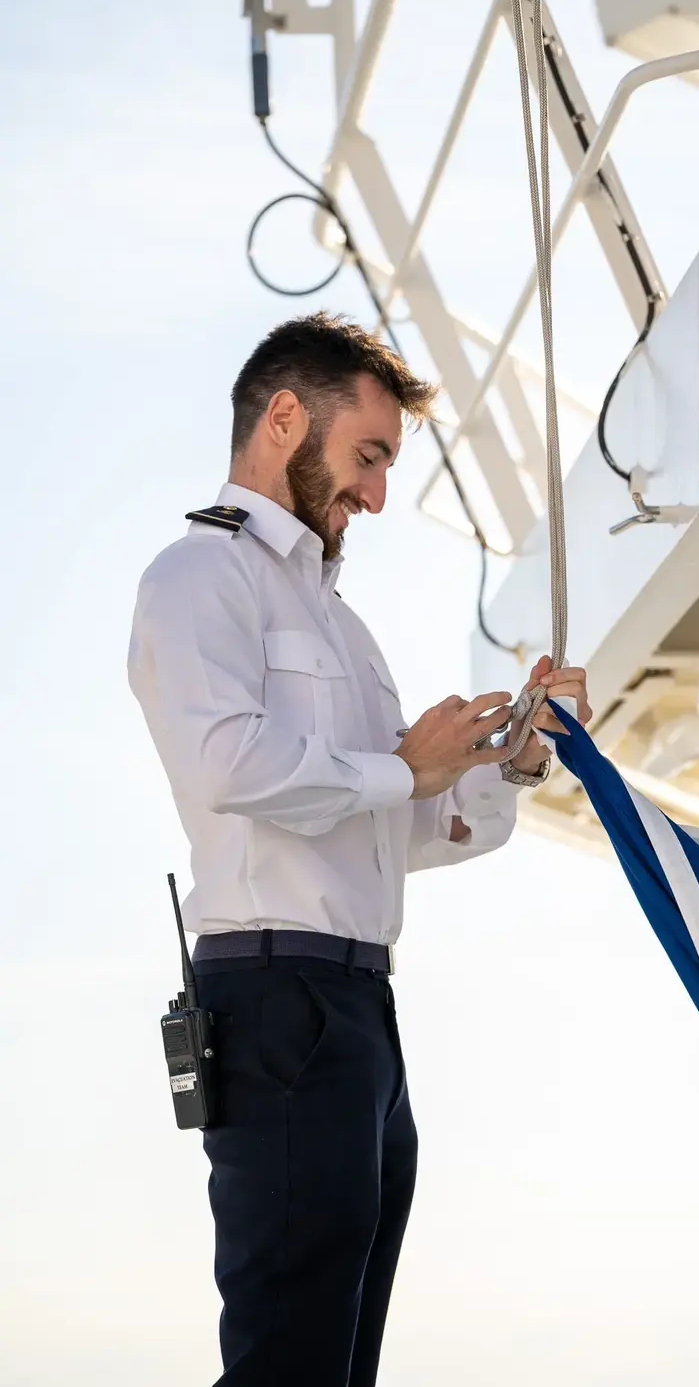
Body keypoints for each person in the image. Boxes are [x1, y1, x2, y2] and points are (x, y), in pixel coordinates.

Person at [127, 312, 592, 1387]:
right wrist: (408, 769)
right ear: (283, 417)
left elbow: (396, 826)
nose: (377, 495)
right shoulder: (197, 579)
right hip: (277, 1002)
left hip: (357, 1017)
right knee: (290, 1358)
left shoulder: (340, 622)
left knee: (338, 1361)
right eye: (368, 457)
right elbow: (228, 769)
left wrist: (508, 762)